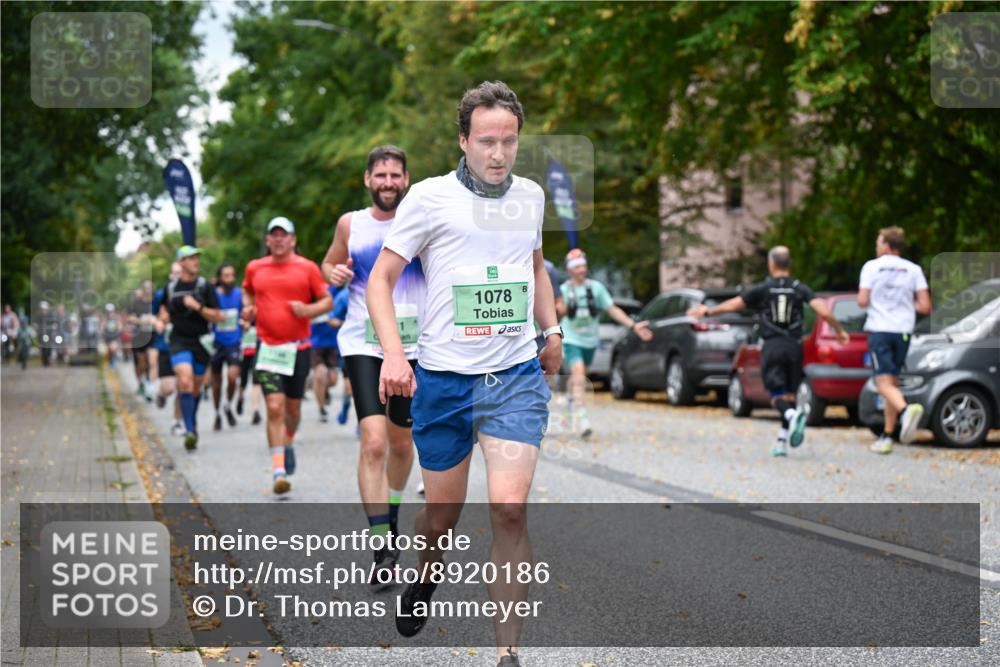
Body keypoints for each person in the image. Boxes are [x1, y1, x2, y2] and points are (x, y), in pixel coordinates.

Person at [367, 81, 561, 666]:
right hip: (444, 381)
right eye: (486, 142)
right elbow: (380, 281)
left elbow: (535, 267)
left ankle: (507, 654)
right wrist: (394, 355)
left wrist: (551, 330)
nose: (499, 154)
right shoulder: (429, 198)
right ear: (462, 140)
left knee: (509, 507)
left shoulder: (530, 197)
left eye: (509, 142)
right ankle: (426, 574)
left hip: (513, 378)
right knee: (442, 520)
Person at [321, 145, 425, 581]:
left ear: (406, 179)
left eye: (395, 175)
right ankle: (382, 545)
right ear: (367, 179)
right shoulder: (351, 224)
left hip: (414, 346)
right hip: (363, 342)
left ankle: (392, 511)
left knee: (401, 443)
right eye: (380, 175)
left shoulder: (422, 217)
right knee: (375, 442)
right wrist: (333, 273)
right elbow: (329, 262)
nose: (388, 182)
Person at [689, 246, 850, 457]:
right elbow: (823, 310)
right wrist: (839, 329)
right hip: (794, 347)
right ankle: (782, 440)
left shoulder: (764, 288)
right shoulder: (799, 287)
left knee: (776, 394)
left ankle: (792, 416)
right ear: (789, 264)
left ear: (771, 263)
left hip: (773, 345)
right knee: (789, 394)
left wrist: (708, 311)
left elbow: (736, 304)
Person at [243, 217, 332, 495]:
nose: (279, 239)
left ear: (293, 240)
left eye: (284, 235)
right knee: (274, 406)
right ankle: (278, 471)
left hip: (298, 349)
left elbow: (327, 301)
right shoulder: (255, 268)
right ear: (268, 240)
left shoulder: (307, 268)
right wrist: (248, 309)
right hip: (268, 347)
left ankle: (288, 440)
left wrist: (308, 311)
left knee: (293, 411)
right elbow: (248, 292)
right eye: (274, 235)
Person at [555, 248, 652, 438]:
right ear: (569, 270)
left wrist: (633, 326)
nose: (582, 269)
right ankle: (582, 419)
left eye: (583, 266)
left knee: (579, 376)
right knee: (578, 373)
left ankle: (570, 400)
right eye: (577, 267)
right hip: (571, 339)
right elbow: (555, 311)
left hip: (590, 341)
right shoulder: (564, 290)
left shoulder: (596, 288)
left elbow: (612, 309)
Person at [857, 226, 932, 454]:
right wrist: (905, 304)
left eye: (878, 242)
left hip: (880, 330)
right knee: (892, 384)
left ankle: (906, 410)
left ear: (887, 245)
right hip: (903, 332)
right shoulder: (913, 269)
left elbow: (862, 300)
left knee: (882, 382)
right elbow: (925, 306)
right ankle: (887, 435)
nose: (876, 246)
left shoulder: (871, 267)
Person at [158, 246, 223, 451]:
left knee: (195, 388)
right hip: (178, 341)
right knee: (185, 381)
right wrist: (162, 318)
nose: (196, 261)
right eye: (191, 258)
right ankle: (189, 431)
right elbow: (162, 311)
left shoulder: (205, 287)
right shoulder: (170, 288)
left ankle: (191, 423)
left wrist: (198, 307)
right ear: (181, 262)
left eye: (197, 258)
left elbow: (218, 316)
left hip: (201, 342)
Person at [151, 263, 184, 436]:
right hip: (165, 345)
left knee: (181, 385)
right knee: (169, 387)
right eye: (175, 273)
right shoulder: (161, 294)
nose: (178, 276)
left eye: (180, 273)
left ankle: (176, 422)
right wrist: (157, 321)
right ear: (170, 275)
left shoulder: (188, 293)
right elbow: (151, 314)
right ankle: (161, 393)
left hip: (182, 344)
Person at [210, 264, 243, 431]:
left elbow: (244, 313)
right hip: (216, 343)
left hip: (234, 342)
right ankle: (217, 413)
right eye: (226, 276)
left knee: (232, 376)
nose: (230, 279)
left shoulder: (239, 294)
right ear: (220, 278)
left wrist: (245, 321)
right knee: (217, 382)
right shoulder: (213, 295)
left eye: (232, 275)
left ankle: (228, 404)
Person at [309, 284, 344, 423]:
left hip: (332, 343)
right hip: (315, 343)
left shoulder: (334, 290)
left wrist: (338, 322)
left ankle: (322, 390)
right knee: (319, 375)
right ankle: (322, 409)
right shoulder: (309, 292)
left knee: (333, 380)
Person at [129, 281, 156, 399]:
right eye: (145, 288)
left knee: (151, 361)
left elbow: (162, 316)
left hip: (153, 336)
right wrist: (140, 321)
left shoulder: (155, 302)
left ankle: (150, 386)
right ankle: (141, 382)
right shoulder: (136, 303)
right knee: (141, 363)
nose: (147, 290)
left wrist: (154, 320)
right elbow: (129, 317)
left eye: (149, 288)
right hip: (139, 337)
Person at [237, 315, 263, 426]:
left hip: (257, 351)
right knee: (243, 381)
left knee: (256, 381)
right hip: (244, 352)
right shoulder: (241, 310)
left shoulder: (259, 312)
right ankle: (240, 398)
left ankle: (256, 411)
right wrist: (241, 323)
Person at [100, 304, 122, 368]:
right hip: (107, 337)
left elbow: (120, 327)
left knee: (113, 348)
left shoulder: (117, 318)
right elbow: (101, 328)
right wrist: (102, 333)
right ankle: (110, 361)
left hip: (114, 337)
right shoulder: (104, 318)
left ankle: (113, 360)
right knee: (107, 351)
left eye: (111, 311)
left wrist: (117, 334)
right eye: (108, 311)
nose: (109, 312)